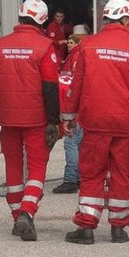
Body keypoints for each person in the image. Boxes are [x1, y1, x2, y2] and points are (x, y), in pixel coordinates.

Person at [60, 0, 129, 245]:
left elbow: (77, 83)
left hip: (95, 120)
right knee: (121, 174)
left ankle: (86, 226)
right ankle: (119, 228)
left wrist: (69, 116)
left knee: (92, 173)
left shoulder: (88, 46)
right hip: (128, 122)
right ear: (126, 20)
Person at [0, 0, 62, 241]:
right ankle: (27, 211)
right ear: (43, 21)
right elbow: (50, 88)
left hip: (7, 120)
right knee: (36, 169)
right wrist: (54, 121)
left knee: (13, 168)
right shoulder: (45, 47)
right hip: (36, 119)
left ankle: (17, 218)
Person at [53, 24, 89, 193]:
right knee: (80, 143)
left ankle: (70, 179)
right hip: (83, 106)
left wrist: (68, 111)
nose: (68, 45)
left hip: (75, 106)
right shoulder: (78, 56)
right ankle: (81, 177)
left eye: (71, 43)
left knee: (71, 142)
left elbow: (72, 85)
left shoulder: (76, 58)